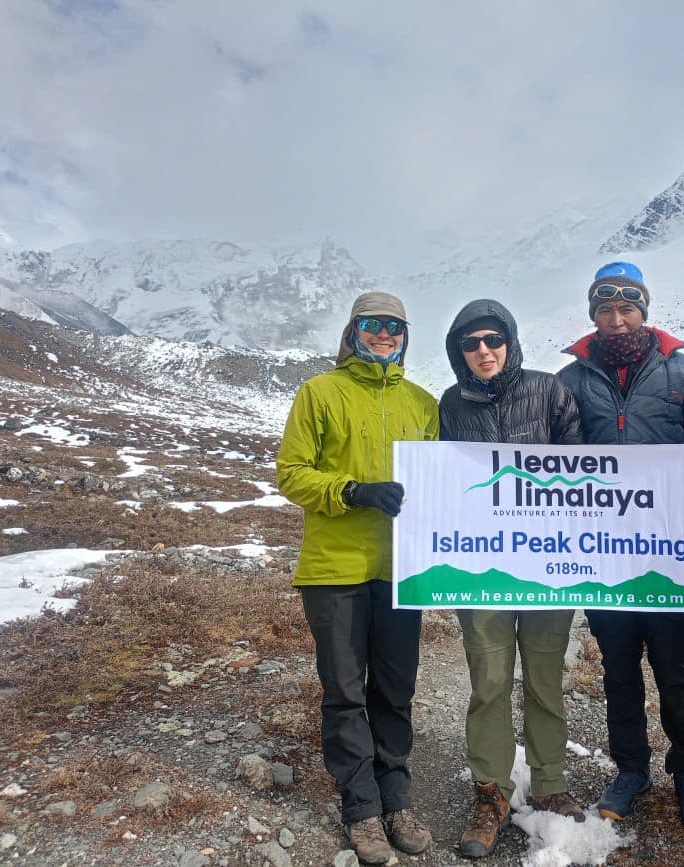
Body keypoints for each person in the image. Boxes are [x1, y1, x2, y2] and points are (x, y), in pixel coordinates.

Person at [276, 292, 439, 866]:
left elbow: (443, 484)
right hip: (335, 570)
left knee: (394, 690)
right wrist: (350, 491)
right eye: (373, 325)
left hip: (403, 569)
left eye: (395, 325)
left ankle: (397, 798)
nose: (384, 334)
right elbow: (291, 474)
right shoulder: (319, 393)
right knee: (345, 693)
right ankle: (361, 808)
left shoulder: (424, 403)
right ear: (353, 331)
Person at [557, 261, 684, 832]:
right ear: (593, 315)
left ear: (644, 311)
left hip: (670, 555)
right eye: (606, 310)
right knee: (619, 669)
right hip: (603, 556)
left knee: (675, 669)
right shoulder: (571, 381)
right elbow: (553, 464)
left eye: (627, 309)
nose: (617, 320)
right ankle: (631, 769)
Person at [439, 299, 586, 858]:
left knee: (545, 678)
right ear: (459, 351)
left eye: (492, 340)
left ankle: (550, 784)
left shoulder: (550, 391)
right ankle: (491, 793)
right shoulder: (450, 405)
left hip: (548, 566)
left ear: (510, 341)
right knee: (490, 681)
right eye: (471, 343)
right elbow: (444, 480)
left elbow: (581, 472)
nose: (483, 351)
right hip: (482, 570)